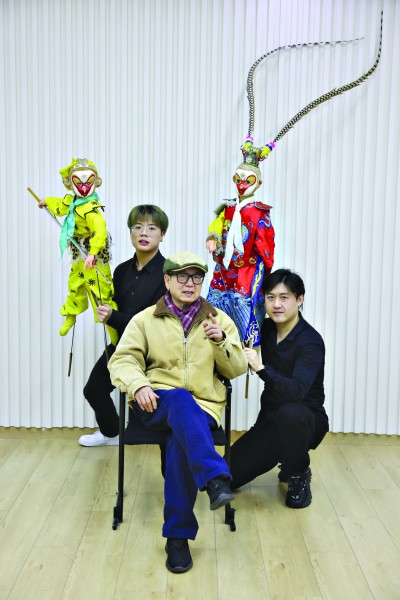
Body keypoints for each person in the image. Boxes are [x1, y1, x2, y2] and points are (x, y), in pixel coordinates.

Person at [108, 251, 248, 573]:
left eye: (196, 277)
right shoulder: (145, 319)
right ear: (167, 280)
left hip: (203, 406)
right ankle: (214, 478)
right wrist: (138, 385)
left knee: (179, 441)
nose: (190, 283)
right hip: (155, 401)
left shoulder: (219, 320)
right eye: (182, 276)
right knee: (181, 401)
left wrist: (221, 343)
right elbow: (122, 359)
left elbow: (238, 368)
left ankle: (177, 537)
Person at [229, 268, 329, 508]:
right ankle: (284, 452)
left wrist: (262, 368)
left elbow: (297, 391)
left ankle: (297, 473)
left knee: (290, 413)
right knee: (226, 476)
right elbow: (236, 328)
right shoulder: (265, 329)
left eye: (284, 297)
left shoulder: (310, 342)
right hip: (271, 421)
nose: (276, 304)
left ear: (299, 299)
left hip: (305, 420)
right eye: (270, 297)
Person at [78, 204, 169, 447]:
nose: (144, 233)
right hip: (122, 345)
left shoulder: (168, 274)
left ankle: (155, 437)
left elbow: (153, 323)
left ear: (162, 234)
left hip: (153, 350)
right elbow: (114, 306)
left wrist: (113, 317)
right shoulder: (120, 271)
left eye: (152, 228)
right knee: (94, 389)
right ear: (130, 233)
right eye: (137, 227)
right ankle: (111, 433)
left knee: (145, 400)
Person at [38, 158, 118, 343]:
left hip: (94, 253)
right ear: (70, 182)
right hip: (78, 249)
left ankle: (114, 332)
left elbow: (100, 230)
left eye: (88, 182)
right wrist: (46, 202)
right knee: (75, 283)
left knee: (100, 290)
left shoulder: (92, 209)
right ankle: (71, 315)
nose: (83, 187)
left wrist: (92, 253)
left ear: (95, 182)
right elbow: (59, 205)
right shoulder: (71, 201)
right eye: (79, 182)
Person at [206, 150, 275, 347]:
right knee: (215, 316)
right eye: (238, 179)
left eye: (248, 180)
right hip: (223, 272)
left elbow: (266, 246)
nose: (242, 184)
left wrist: (262, 274)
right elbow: (217, 226)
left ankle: (247, 355)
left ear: (258, 183)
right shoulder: (227, 208)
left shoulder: (260, 213)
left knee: (244, 318)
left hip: (246, 273)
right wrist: (213, 238)